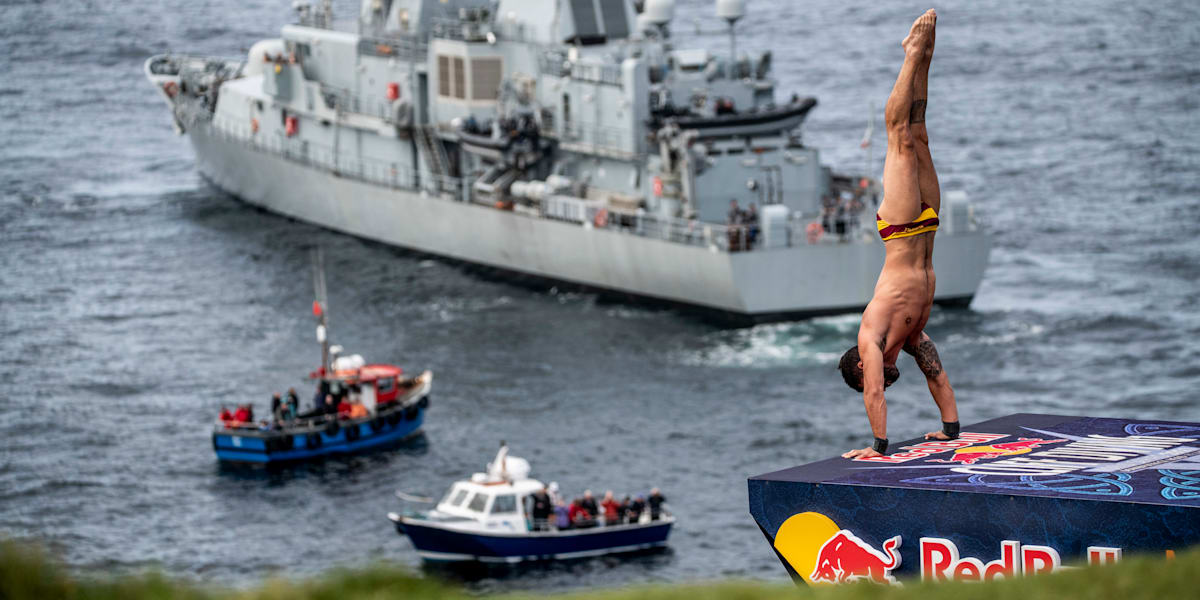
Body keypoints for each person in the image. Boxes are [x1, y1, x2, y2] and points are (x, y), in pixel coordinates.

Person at [838, 10, 959, 459]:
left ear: (862, 367)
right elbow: (938, 377)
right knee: (920, 135)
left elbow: (873, 396)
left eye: (871, 375)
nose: (881, 380)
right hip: (926, 224)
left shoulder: (871, 337)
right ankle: (925, 54)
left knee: (899, 137)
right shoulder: (912, 338)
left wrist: (879, 446)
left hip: (903, 224)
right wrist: (951, 429)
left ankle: (910, 55)